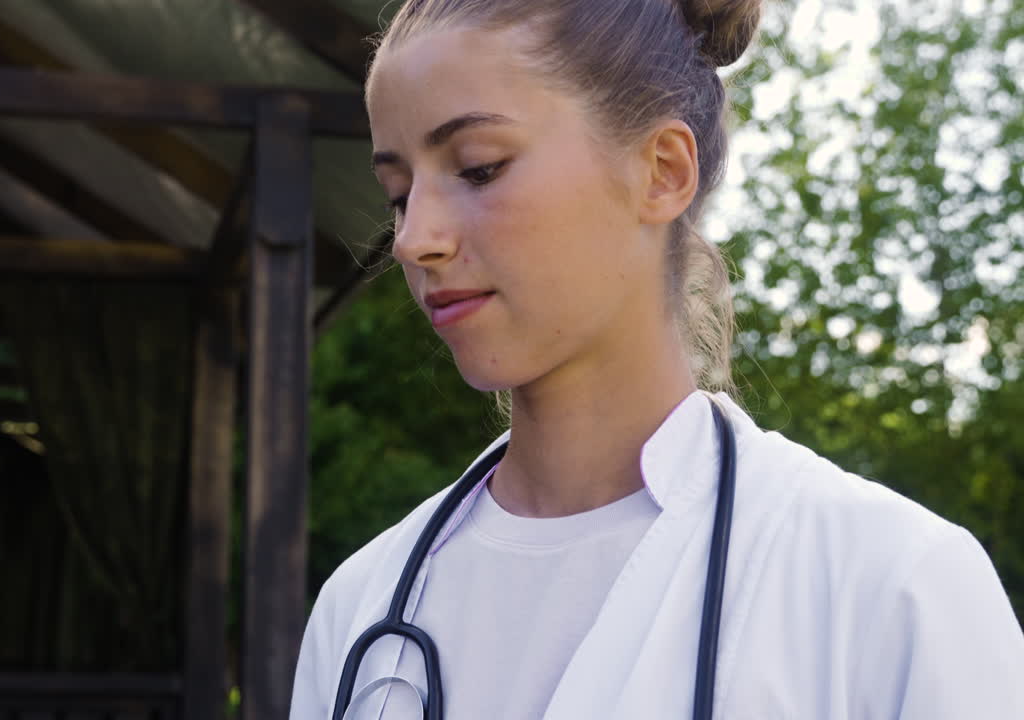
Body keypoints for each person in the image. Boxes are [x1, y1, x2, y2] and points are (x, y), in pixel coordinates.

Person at [290, 0, 1024, 717]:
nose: (417, 238)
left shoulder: (893, 589)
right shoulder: (360, 607)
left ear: (663, 171)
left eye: (478, 168)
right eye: (397, 193)